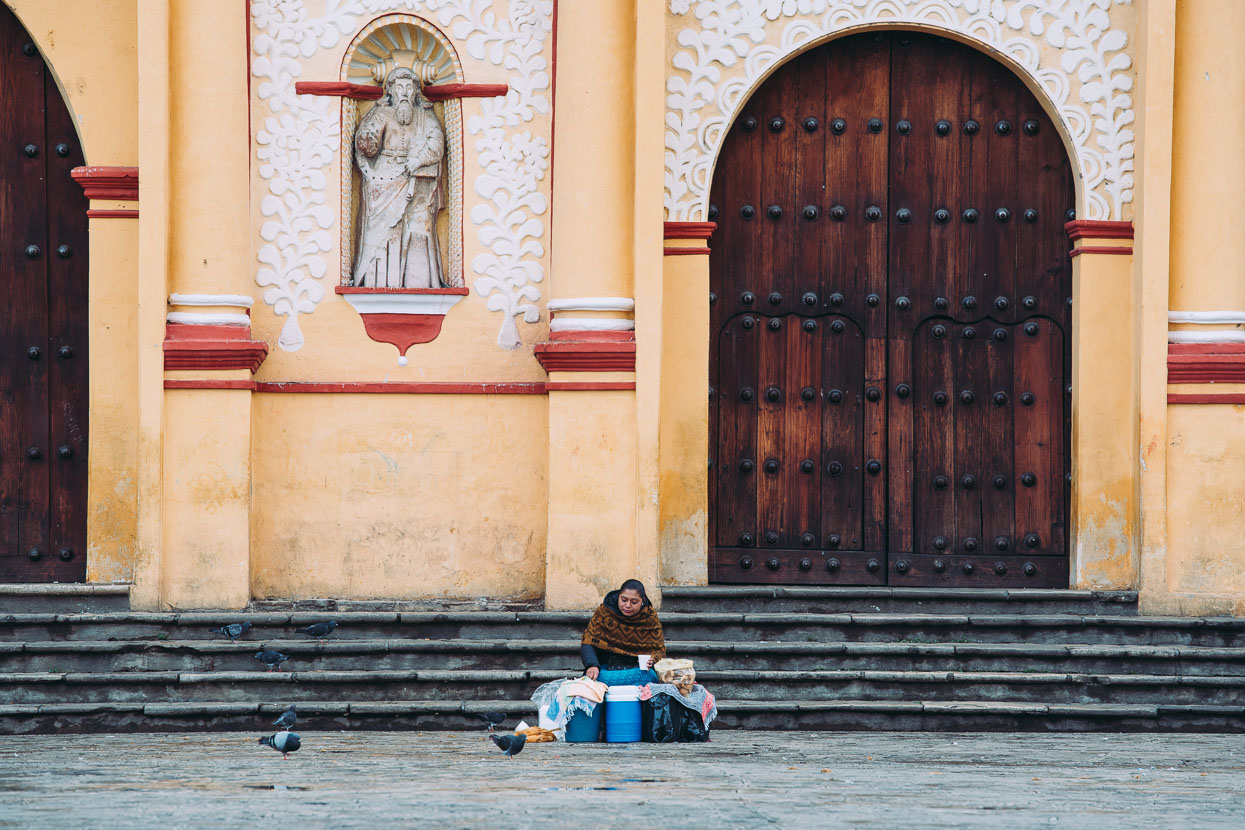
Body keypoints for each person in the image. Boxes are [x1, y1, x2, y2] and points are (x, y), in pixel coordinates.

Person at [580, 579, 665, 686]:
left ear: (642, 601)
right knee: (593, 680)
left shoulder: (649, 618)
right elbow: (588, 642)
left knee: (648, 676)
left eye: (634, 602)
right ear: (618, 597)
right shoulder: (604, 613)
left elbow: (659, 650)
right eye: (624, 600)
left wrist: (652, 660)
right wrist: (592, 665)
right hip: (605, 668)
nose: (628, 605)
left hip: (637, 670)